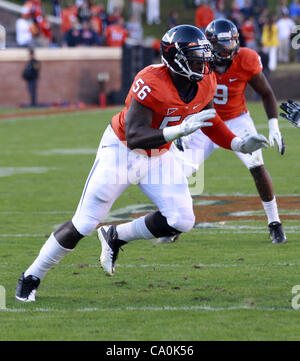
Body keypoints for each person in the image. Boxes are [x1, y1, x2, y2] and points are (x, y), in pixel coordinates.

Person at [15, 25, 268, 302]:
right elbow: (135, 136)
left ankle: (116, 236)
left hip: (160, 154)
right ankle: (31, 276)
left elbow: (210, 120)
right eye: (196, 59)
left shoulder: (205, 81)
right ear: (176, 59)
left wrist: (238, 144)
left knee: (182, 219)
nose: (204, 65)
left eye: (204, 58)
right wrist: (177, 131)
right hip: (123, 151)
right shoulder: (151, 80)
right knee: (85, 223)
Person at [158, 19, 286, 245]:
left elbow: (266, 93)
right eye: (223, 45)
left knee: (257, 166)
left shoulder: (246, 59)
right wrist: (182, 127)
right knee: (179, 174)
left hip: (237, 120)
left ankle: (274, 223)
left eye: (232, 43)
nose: (229, 49)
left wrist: (273, 125)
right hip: (203, 121)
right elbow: (184, 95)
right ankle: (175, 223)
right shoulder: (197, 62)